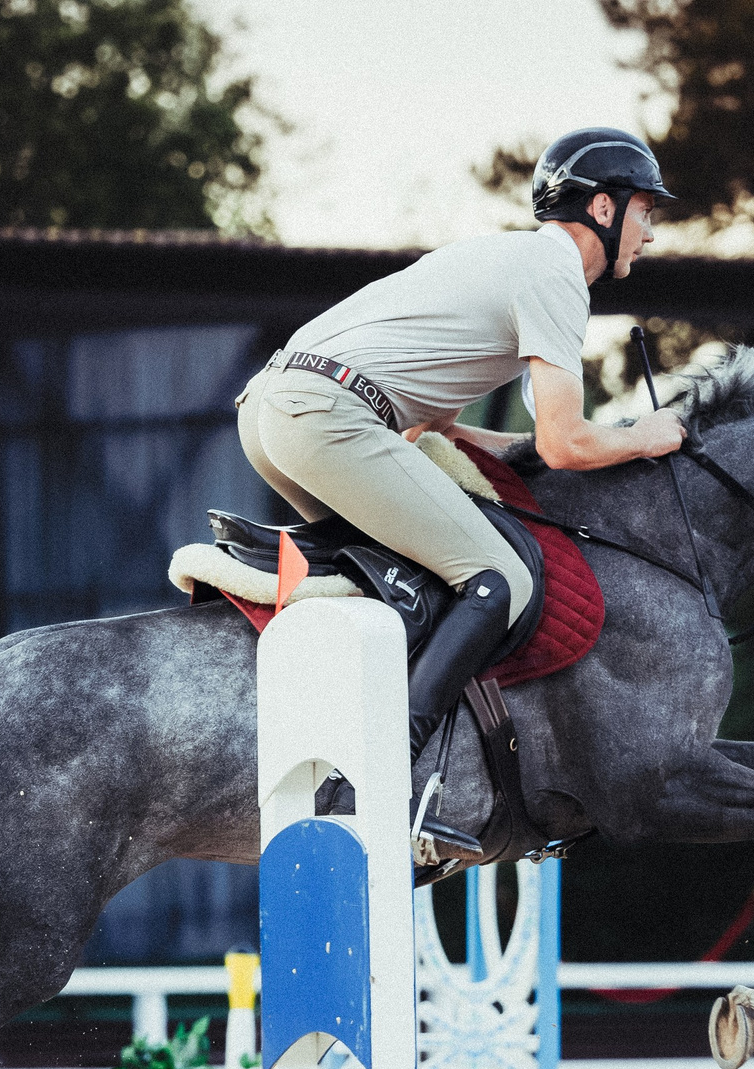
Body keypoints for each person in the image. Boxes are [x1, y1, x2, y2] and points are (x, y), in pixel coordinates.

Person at [235, 127, 688, 769]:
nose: (651, 233)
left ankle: (360, 722)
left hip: (273, 412)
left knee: (417, 577)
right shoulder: (557, 273)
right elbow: (565, 445)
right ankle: (392, 769)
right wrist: (643, 436)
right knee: (496, 578)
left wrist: (562, 444)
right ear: (604, 208)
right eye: (646, 211)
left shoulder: (501, 259)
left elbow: (445, 431)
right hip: (328, 416)